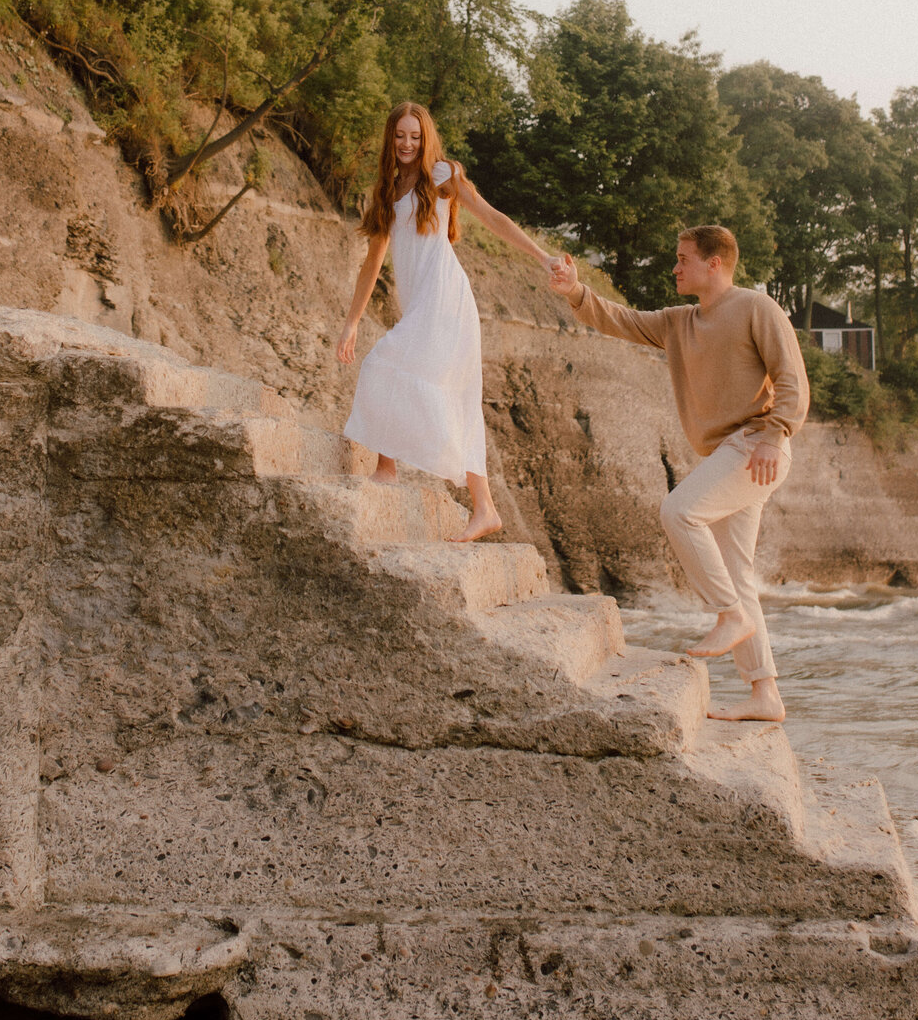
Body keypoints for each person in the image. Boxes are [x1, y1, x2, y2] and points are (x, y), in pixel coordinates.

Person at [550, 226, 809, 723]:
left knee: (679, 510)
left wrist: (777, 434)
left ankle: (728, 615)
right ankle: (765, 694)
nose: (675, 268)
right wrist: (575, 291)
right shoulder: (678, 321)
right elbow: (619, 319)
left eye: (683, 259)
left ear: (715, 263)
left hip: (757, 445)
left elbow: (793, 378)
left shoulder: (757, 308)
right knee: (738, 573)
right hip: (727, 456)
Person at [339, 101, 563, 543]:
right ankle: (486, 509)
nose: (407, 144)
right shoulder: (386, 188)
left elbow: (492, 216)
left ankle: (387, 469)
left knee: (385, 363)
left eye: (415, 137)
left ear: (426, 141)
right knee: (442, 392)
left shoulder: (441, 177)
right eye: (400, 136)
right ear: (391, 138)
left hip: (446, 299)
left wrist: (543, 257)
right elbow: (372, 262)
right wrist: (351, 322)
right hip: (423, 303)